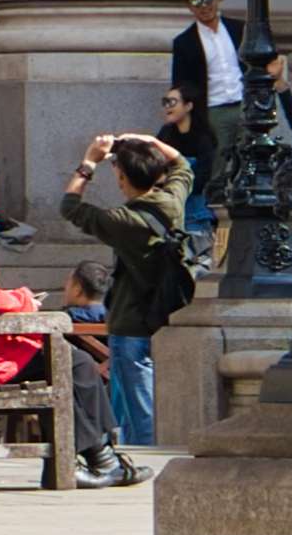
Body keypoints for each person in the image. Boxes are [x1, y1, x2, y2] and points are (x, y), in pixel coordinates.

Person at [55, 135, 195, 483]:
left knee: (138, 406)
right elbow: (182, 165)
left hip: (131, 321)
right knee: (141, 401)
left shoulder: (124, 220)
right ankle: (126, 462)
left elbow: (70, 207)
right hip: (165, 316)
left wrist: (89, 162)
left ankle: (141, 465)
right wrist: (149, 140)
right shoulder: (171, 202)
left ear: (121, 179)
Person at [160, 0, 256, 255]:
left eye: (207, 0)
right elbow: (181, 84)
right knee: (216, 166)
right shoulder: (185, 42)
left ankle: (250, 214)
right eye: (197, 2)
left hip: (246, 106)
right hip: (213, 110)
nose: (204, 6)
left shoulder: (239, 30)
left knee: (252, 160)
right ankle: (215, 224)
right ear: (189, 7)